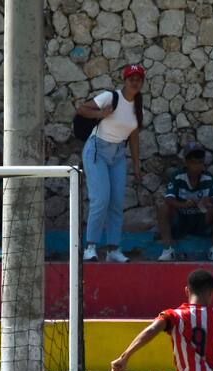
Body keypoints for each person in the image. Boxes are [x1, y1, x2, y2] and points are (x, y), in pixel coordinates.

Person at [76, 64, 145, 263]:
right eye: (131, 78)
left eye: (139, 78)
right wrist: (100, 114)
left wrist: (137, 165)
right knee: (100, 199)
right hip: (97, 149)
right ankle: (90, 247)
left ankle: (113, 249)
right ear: (124, 80)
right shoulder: (111, 97)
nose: (135, 81)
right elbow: (81, 109)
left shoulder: (138, 107)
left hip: (117, 155)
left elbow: (133, 137)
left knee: (116, 203)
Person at [156, 143, 213, 262]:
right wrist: (184, 205)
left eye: (200, 162)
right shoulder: (177, 177)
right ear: (186, 163)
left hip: (201, 220)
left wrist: (207, 200)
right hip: (181, 220)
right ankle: (167, 249)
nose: (197, 166)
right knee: (163, 208)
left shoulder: (208, 178)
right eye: (193, 162)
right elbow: (169, 199)